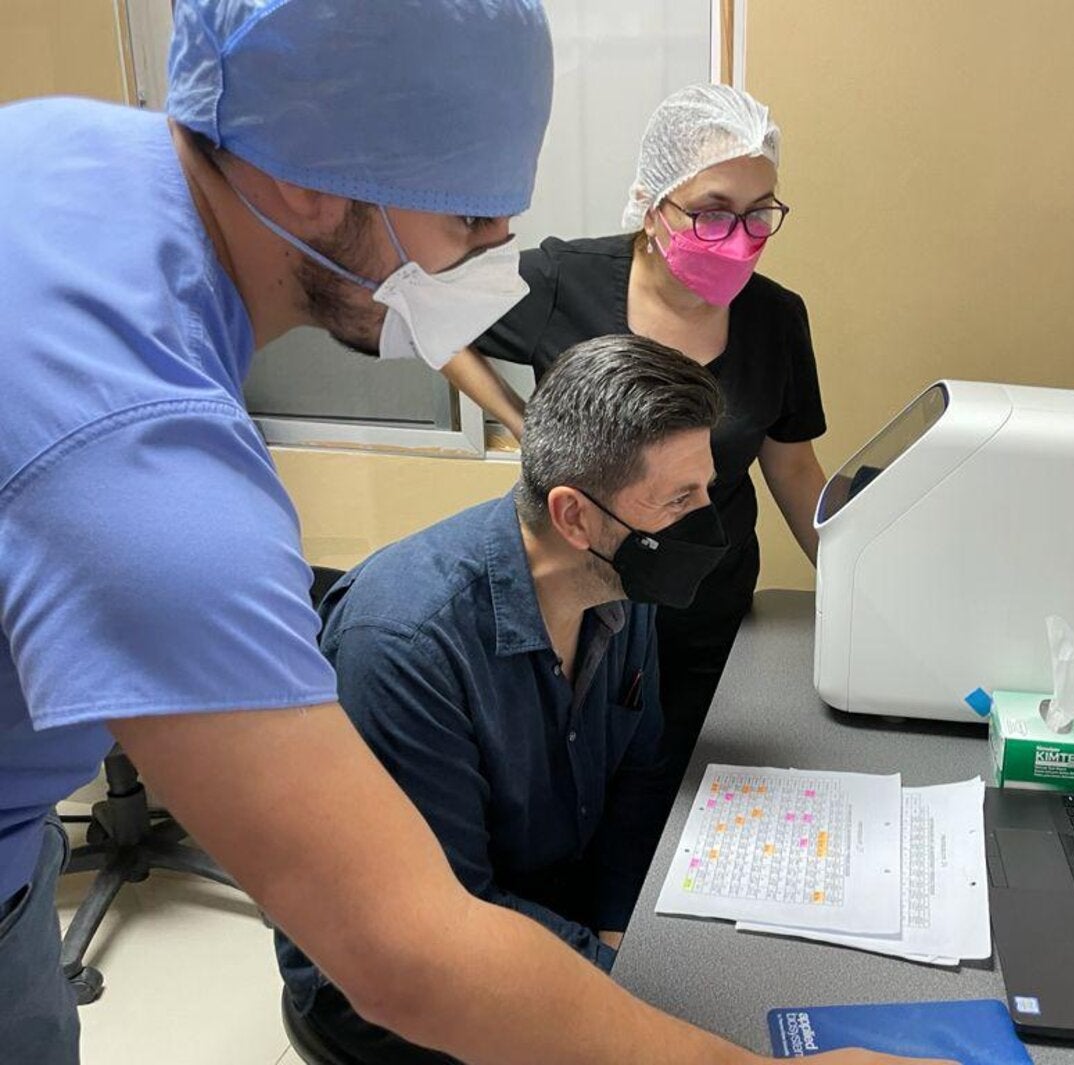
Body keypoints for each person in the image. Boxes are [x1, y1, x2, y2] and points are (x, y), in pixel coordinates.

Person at [0, 3, 946, 1064]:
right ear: (309, 180)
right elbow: (402, 957)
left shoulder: (60, 148)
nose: (496, 261)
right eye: (468, 225)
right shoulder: (152, 476)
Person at [279, 336, 728, 1062]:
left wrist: (616, 931)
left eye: (704, 488)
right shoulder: (404, 647)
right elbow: (448, 921)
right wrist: (625, 984)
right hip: (410, 977)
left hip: (546, 907)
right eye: (681, 498)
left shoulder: (616, 582)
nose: (707, 521)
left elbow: (641, 774)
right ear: (575, 516)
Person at [447, 84, 831, 785]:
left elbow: (796, 471)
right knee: (574, 783)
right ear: (652, 206)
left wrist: (860, 589)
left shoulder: (775, 319)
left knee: (680, 791)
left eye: (759, 215)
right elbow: (431, 308)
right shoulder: (565, 282)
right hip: (580, 602)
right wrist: (518, 418)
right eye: (713, 213)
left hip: (706, 606)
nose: (739, 238)